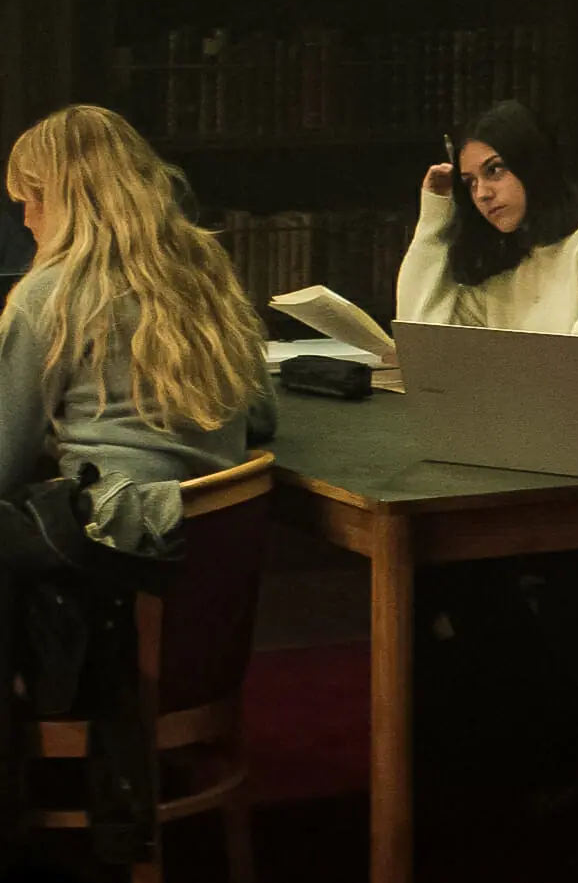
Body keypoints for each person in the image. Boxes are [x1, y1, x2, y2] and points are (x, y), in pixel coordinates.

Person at [1, 106, 274, 855]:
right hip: (195, 613)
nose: (23, 218)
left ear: (71, 199)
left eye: (33, 197)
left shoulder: (46, 295)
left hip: (108, 591)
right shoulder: (204, 271)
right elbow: (260, 410)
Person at [396, 99, 578, 385]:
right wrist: (434, 217)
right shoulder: (509, 268)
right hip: (546, 422)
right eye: (470, 183)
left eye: (494, 170)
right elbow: (424, 352)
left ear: (533, 165)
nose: (482, 194)